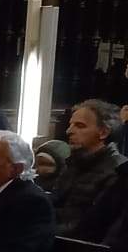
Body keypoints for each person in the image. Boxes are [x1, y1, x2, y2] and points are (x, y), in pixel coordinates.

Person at [52, 99, 126, 233]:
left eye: (79, 126)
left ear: (103, 132)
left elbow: (93, 225)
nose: (69, 131)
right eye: (70, 125)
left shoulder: (117, 172)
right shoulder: (72, 164)